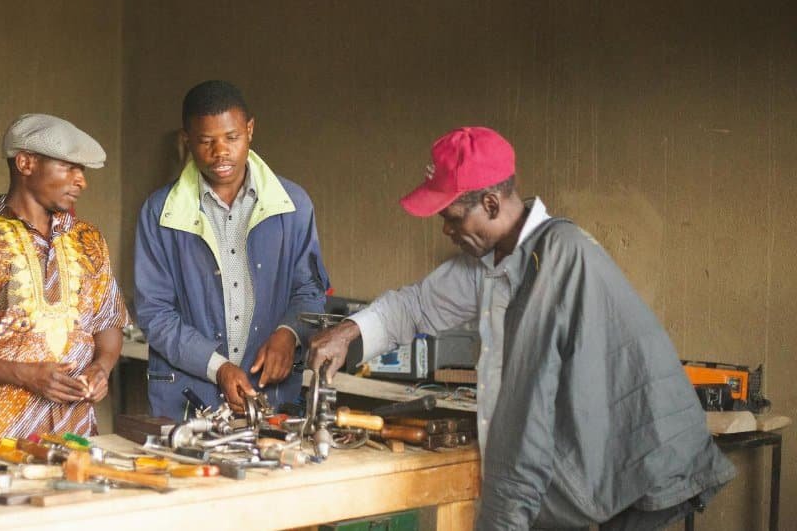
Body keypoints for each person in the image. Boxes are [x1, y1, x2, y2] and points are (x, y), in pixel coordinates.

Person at [308, 126, 734, 530]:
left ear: (491, 205)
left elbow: (526, 418)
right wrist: (348, 333)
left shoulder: (554, 259)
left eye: (453, 217)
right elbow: (415, 306)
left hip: (644, 463)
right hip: (595, 466)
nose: (446, 229)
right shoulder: (491, 261)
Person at [134, 80, 330, 419]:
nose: (220, 152)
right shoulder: (160, 212)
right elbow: (155, 314)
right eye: (206, 141)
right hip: (186, 399)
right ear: (187, 140)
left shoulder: (292, 205)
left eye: (232, 138)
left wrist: (289, 334)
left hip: (271, 396)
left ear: (250, 130)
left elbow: (310, 290)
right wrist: (218, 368)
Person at [0, 113, 128, 446]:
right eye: (69, 168)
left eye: (82, 171)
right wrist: (26, 375)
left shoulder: (89, 240)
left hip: (76, 430)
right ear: (25, 163)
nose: (81, 181)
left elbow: (108, 322)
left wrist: (102, 367)